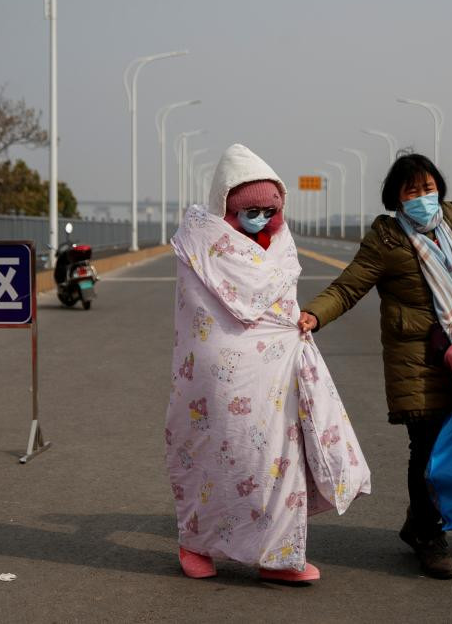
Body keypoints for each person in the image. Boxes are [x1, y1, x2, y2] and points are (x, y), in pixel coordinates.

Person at [166, 143, 370, 584]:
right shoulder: (197, 242)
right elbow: (198, 312)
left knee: (277, 460)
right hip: (213, 382)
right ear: (226, 206)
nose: (259, 217)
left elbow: (281, 305)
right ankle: (195, 542)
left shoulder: (282, 243)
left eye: (267, 209)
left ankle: (277, 555)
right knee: (211, 456)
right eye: (248, 209)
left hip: (274, 373)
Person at [297, 153, 452, 580]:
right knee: (426, 447)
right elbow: (349, 285)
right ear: (397, 199)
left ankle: (419, 523)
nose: (423, 198)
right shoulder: (387, 240)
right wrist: (313, 315)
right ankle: (429, 536)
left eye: (428, 188)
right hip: (417, 360)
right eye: (412, 191)